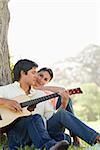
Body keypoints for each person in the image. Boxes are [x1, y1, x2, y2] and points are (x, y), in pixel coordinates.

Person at [0, 59, 69, 150]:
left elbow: (50, 117)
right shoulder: (6, 90)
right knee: (35, 118)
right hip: (16, 135)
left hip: (32, 134)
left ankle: (53, 144)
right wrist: (7, 102)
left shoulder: (38, 94)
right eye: (33, 73)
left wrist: (64, 103)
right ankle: (50, 146)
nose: (36, 76)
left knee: (64, 137)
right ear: (23, 73)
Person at [32, 67, 100, 146]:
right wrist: (39, 88)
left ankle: (79, 139)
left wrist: (64, 102)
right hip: (36, 127)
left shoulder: (45, 94)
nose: (41, 80)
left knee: (65, 99)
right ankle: (77, 139)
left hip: (48, 125)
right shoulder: (26, 88)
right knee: (65, 138)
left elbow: (54, 114)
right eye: (40, 75)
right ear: (35, 73)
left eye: (45, 79)